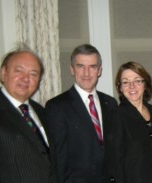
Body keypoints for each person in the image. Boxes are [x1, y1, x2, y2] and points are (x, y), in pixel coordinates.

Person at [45, 44, 118, 183]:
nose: (86, 73)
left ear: (99, 70)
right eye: (80, 66)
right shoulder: (57, 106)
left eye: (92, 66)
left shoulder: (110, 103)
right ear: (72, 69)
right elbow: (59, 159)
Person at [0, 44, 56, 182]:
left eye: (33, 74)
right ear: (3, 73)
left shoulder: (42, 112)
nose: (26, 78)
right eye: (19, 71)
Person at [105, 61, 152, 183]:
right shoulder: (117, 115)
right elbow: (114, 162)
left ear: (145, 84)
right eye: (125, 82)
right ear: (120, 87)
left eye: (137, 81)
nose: (132, 86)